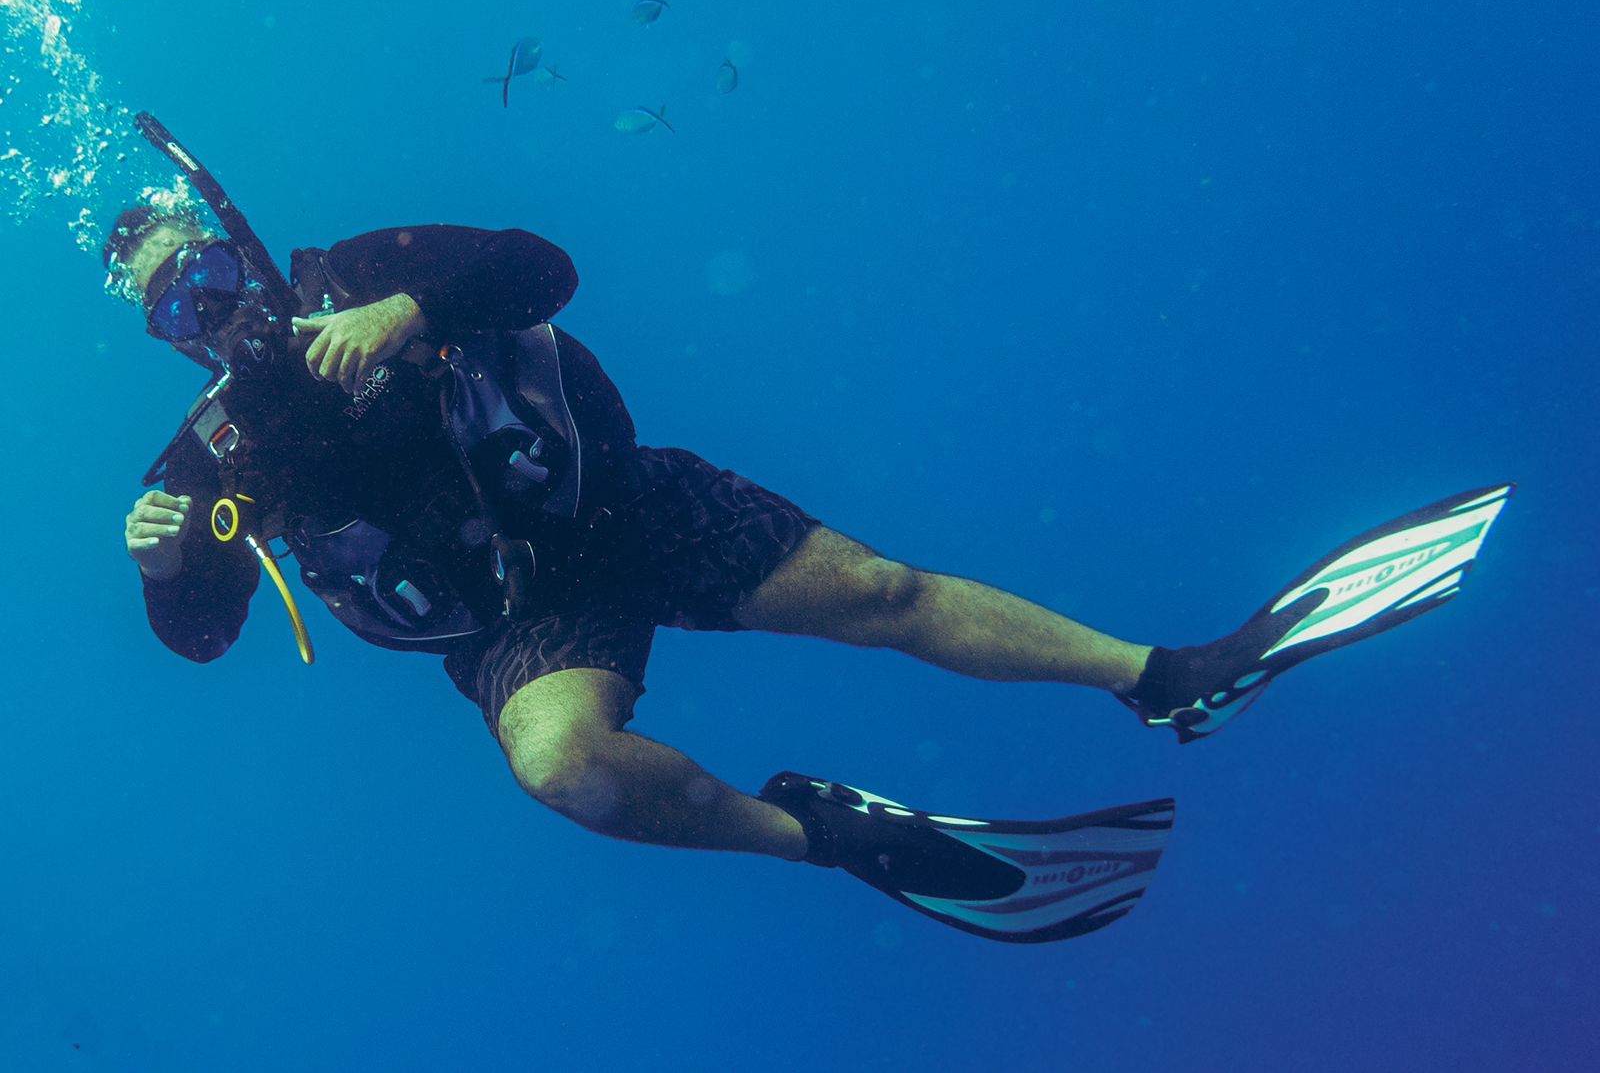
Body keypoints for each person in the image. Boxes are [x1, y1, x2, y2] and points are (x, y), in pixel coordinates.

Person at [108, 191, 1509, 944]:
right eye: (178, 303)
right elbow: (205, 631)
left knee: (884, 595)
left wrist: (415, 303)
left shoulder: (360, 266)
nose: (210, 306)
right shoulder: (215, 460)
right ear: (167, 334)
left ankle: (1173, 676)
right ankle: (823, 832)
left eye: (209, 269)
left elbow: (544, 264)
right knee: (560, 767)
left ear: (239, 245)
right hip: (522, 625)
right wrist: (167, 567)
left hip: (624, 506)